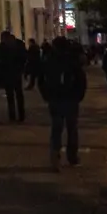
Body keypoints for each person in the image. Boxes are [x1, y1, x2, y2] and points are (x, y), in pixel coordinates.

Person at [39, 37, 87, 171]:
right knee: (72, 129)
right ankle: (72, 157)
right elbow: (81, 80)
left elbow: (41, 80)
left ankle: (55, 158)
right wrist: (78, 96)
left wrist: (46, 95)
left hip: (55, 99)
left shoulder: (49, 60)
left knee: (56, 128)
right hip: (70, 99)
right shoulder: (72, 61)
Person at [0, 31, 27, 123]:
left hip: (8, 73)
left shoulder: (3, 46)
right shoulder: (19, 44)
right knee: (19, 94)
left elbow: (1, 60)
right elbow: (24, 57)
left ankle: (12, 116)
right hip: (17, 72)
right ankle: (21, 115)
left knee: (10, 96)